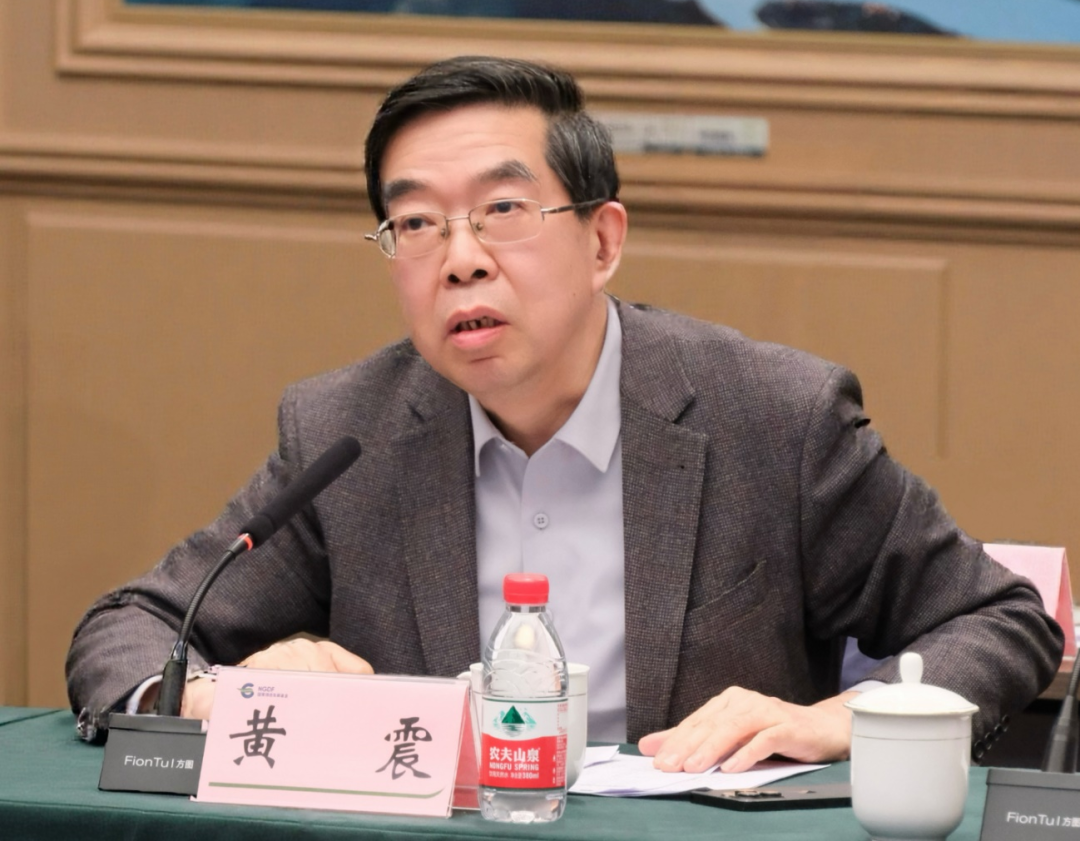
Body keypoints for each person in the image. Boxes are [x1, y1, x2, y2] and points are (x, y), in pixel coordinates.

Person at [67, 56, 1062, 774]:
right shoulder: (346, 433)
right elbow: (127, 633)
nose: (461, 258)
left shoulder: (774, 417)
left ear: (602, 241)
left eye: (503, 210)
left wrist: (847, 718)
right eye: (416, 223)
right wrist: (224, 696)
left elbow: (998, 618)